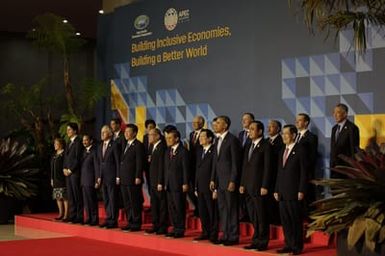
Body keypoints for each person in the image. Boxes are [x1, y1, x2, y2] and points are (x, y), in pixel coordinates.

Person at [274, 125, 307, 255]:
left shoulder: (300, 150)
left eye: (286, 134)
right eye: (282, 134)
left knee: (295, 220)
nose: (284, 136)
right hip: (282, 191)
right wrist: (276, 189)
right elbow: (279, 172)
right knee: (285, 221)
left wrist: (301, 190)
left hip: (294, 191)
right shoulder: (282, 150)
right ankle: (288, 244)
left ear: (293, 135)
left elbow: (304, 172)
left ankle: (297, 246)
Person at [240, 121, 272, 251]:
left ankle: (263, 241)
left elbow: (268, 168)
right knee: (253, 216)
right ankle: (255, 239)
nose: (249, 131)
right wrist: (242, 183)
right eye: (249, 129)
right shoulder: (248, 146)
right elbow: (245, 167)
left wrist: (265, 185)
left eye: (252, 129)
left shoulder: (266, 146)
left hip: (259, 187)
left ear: (260, 131)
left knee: (261, 216)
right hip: (248, 187)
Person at [210, 115, 241, 246]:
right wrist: (213, 179)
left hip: (229, 182)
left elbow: (235, 163)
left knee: (231, 209)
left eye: (218, 123)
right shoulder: (217, 140)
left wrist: (233, 181)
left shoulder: (232, 140)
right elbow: (215, 163)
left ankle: (233, 236)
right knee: (222, 209)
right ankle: (225, 234)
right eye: (215, 123)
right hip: (219, 182)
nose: (215, 125)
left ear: (225, 125)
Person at [118, 124, 145, 232]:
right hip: (124, 178)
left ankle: (136, 223)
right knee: (127, 202)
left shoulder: (138, 145)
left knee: (134, 201)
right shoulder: (126, 144)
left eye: (129, 131)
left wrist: (138, 176)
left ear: (134, 133)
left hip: (133, 178)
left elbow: (139, 162)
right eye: (125, 131)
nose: (126, 133)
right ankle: (130, 221)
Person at [194, 129, 218, 243]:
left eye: (203, 136)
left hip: (210, 186)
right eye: (200, 136)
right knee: (202, 211)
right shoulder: (199, 150)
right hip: (200, 186)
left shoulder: (214, 150)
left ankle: (214, 233)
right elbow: (197, 170)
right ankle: (205, 232)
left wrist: (215, 187)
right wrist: (195, 186)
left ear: (209, 138)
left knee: (211, 211)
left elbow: (216, 170)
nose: (200, 138)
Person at [164, 129, 189, 238]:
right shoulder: (167, 151)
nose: (168, 140)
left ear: (177, 138)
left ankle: (180, 229)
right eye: (167, 138)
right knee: (172, 207)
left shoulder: (183, 151)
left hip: (179, 184)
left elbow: (186, 169)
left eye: (170, 138)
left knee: (179, 207)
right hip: (169, 184)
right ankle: (174, 227)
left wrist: (185, 182)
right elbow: (166, 168)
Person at [145, 128, 169, 235]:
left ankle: (163, 226)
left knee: (162, 205)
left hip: (159, 182)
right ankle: (155, 225)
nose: (149, 137)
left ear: (158, 136)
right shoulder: (152, 147)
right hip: (152, 181)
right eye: (149, 135)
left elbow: (162, 167)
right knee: (154, 204)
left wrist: (160, 182)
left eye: (151, 135)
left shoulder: (162, 147)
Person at [96, 125, 120, 229]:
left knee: (112, 198)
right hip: (103, 177)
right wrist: (98, 176)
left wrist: (118, 176)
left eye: (104, 132)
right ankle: (108, 218)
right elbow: (99, 163)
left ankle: (113, 220)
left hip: (112, 176)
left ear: (110, 134)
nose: (102, 134)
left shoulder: (114, 145)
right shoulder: (100, 145)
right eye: (101, 132)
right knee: (105, 199)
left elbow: (118, 162)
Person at [330, 103, 360, 178]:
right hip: (335, 168)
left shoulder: (352, 128)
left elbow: (354, 150)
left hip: (346, 169)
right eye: (334, 112)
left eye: (338, 112)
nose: (335, 115)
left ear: (345, 114)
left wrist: (352, 169)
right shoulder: (334, 128)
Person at [295, 113, 318, 205]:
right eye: (296, 120)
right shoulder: (294, 136)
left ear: (306, 122)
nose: (296, 122)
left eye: (299, 120)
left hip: (305, 172)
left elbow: (312, 157)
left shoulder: (311, 137)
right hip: (295, 173)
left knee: (307, 197)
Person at [63, 122, 84, 223]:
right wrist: (64, 168)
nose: (67, 131)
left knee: (77, 194)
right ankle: (72, 215)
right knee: (70, 195)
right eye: (67, 130)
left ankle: (79, 216)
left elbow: (78, 158)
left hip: (75, 173)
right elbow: (66, 157)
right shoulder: (68, 142)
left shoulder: (79, 142)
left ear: (75, 131)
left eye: (69, 129)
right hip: (67, 173)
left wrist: (70, 170)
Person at [267, 119, 284, 225]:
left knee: (275, 200)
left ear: (278, 129)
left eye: (272, 126)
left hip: (276, 175)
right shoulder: (266, 141)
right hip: (267, 175)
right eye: (268, 126)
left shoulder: (281, 142)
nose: (269, 128)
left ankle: (277, 221)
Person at [188, 115, 205, 216]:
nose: (194, 124)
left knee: (200, 189)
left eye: (196, 123)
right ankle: (196, 208)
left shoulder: (205, 134)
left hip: (201, 166)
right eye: (193, 123)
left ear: (202, 123)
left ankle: (201, 210)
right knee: (192, 189)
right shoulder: (191, 135)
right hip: (192, 166)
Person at [80, 134, 99, 226]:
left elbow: (96, 166)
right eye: (83, 140)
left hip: (91, 180)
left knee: (92, 200)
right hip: (84, 180)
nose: (84, 142)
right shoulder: (83, 151)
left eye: (86, 140)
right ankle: (88, 218)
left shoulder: (94, 151)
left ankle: (94, 219)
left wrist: (96, 180)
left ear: (91, 141)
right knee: (86, 201)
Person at [50, 137, 68, 221]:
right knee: (58, 197)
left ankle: (66, 215)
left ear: (61, 144)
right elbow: (52, 168)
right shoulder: (54, 155)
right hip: (55, 179)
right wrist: (52, 178)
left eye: (56, 144)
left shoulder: (64, 154)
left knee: (64, 197)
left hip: (62, 178)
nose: (54, 145)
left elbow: (65, 165)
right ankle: (60, 213)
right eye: (54, 144)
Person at [143, 119, 156, 191]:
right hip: (147, 165)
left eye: (152, 127)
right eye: (149, 127)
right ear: (146, 129)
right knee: (149, 184)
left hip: (155, 166)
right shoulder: (145, 137)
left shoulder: (160, 137)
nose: (151, 129)